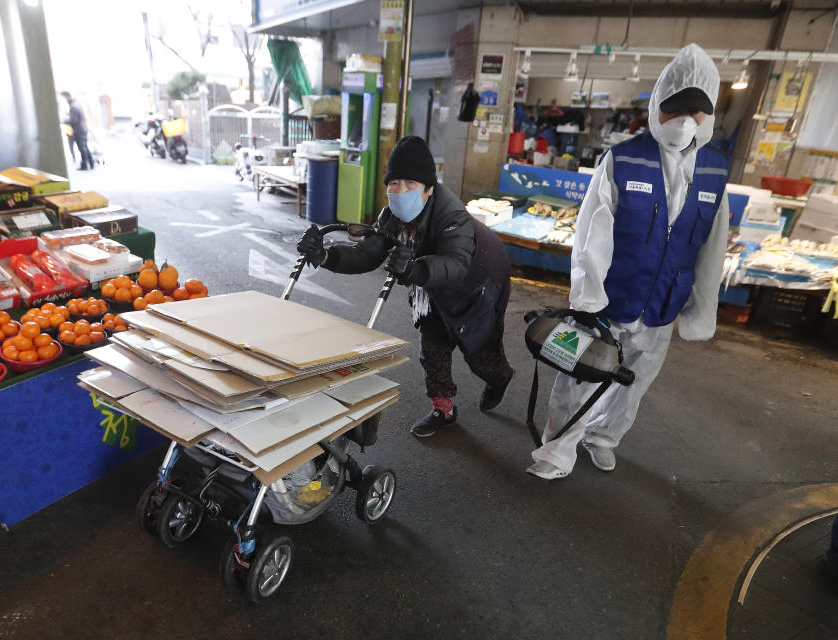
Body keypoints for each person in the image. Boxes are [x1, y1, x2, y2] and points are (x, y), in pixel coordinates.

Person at [526, 43, 730, 480]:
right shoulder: (622, 159)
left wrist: (700, 309)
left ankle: (603, 437)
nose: (682, 122)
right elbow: (591, 234)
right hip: (609, 298)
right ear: (656, 106)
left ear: (708, 117)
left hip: (661, 305)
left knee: (633, 383)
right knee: (577, 372)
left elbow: (713, 246)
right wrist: (587, 298)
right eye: (673, 110)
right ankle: (556, 451)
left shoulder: (715, 171)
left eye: (695, 114)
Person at [296, 136, 514, 438]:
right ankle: (443, 409)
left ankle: (500, 379)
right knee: (432, 347)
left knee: (481, 355)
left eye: (410, 183)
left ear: (429, 187)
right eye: (393, 183)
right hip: (428, 286)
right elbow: (366, 255)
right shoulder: (393, 215)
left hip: (477, 287)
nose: (400, 191)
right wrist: (325, 255)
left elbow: (456, 264)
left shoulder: (452, 216)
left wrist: (413, 269)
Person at [60, 91, 94, 171]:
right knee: (84, 147)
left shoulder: (73, 106)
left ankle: (85, 165)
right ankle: (91, 163)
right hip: (83, 129)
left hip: (79, 130)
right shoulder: (77, 104)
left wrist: (63, 120)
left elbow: (73, 120)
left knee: (82, 148)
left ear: (67, 96)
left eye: (64, 98)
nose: (64, 100)